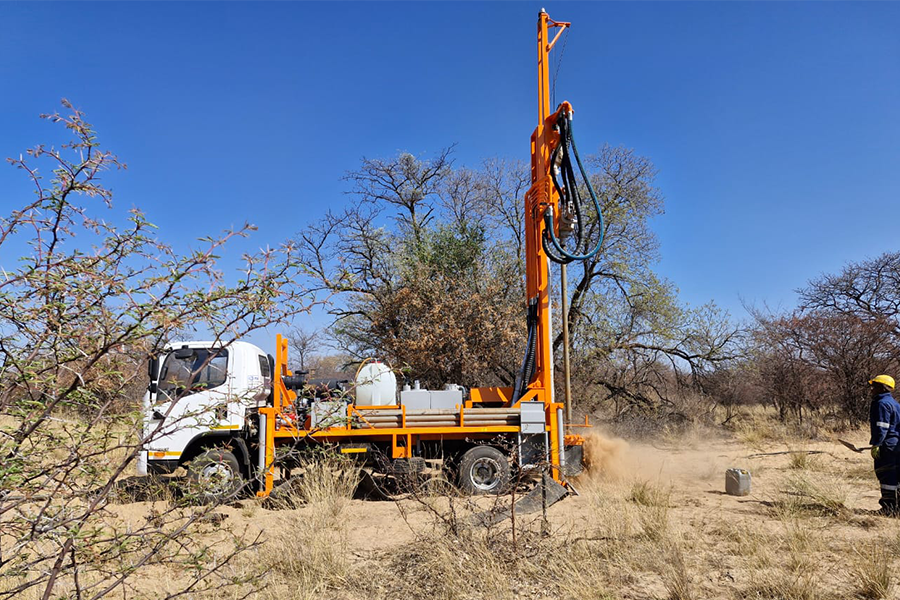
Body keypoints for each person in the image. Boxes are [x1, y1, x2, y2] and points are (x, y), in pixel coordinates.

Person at [869, 374, 900, 514]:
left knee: (886, 475)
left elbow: (881, 427)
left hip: (887, 446)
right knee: (897, 476)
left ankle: (888, 508)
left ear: (882, 387)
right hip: (896, 445)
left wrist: (876, 444)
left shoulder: (881, 404)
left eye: (874, 386)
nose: (872, 389)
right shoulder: (895, 404)